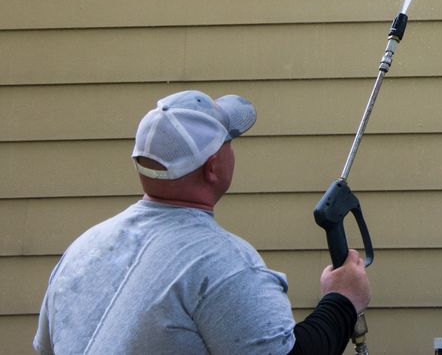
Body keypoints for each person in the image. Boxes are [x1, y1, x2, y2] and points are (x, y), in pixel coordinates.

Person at [34, 90, 371, 355]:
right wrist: (342, 300)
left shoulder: (82, 249)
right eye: (228, 141)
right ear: (212, 167)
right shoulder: (223, 264)